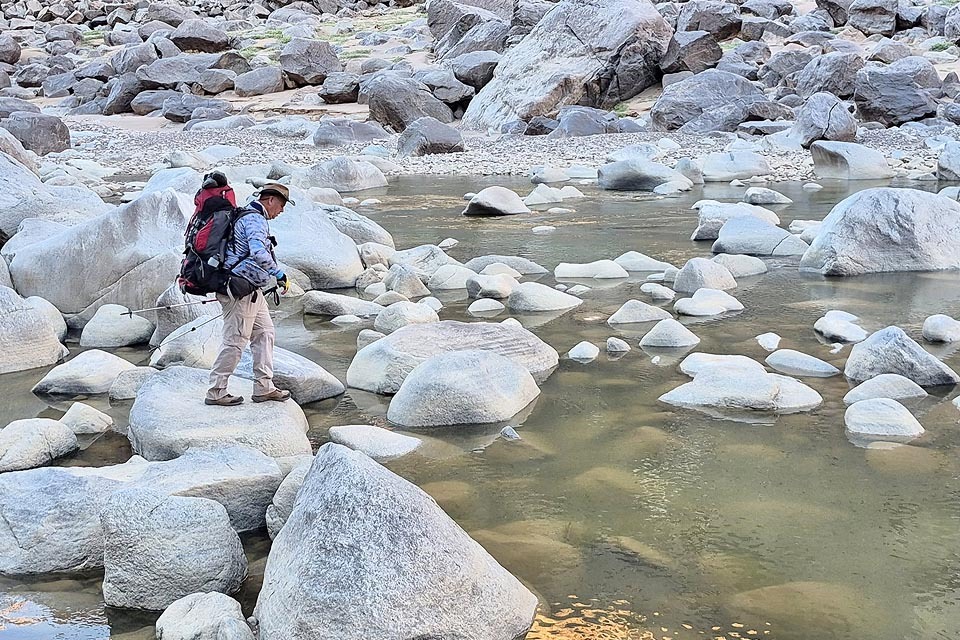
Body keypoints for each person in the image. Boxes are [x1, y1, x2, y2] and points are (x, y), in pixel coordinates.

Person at [205, 183, 293, 406]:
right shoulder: (254, 219)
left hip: (252, 290)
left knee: (265, 333)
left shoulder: (249, 215)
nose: (282, 211)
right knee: (235, 341)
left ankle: (264, 387)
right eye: (281, 205)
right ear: (270, 200)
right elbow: (258, 252)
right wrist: (279, 274)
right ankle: (216, 391)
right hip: (238, 289)